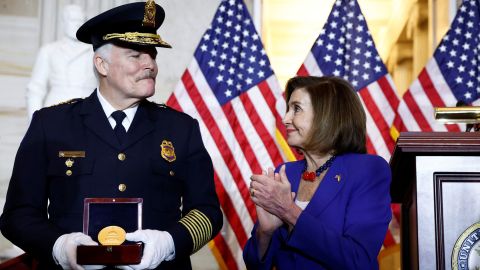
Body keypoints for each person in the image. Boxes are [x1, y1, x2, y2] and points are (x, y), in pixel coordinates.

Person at [0, 1, 222, 270]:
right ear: (101, 64)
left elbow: (207, 212)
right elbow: (17, 215)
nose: (150, 64)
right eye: (135, 55)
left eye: (152, 55)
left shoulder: (181, 128)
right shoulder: (51, 124)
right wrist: (59, 246)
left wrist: (169, 242)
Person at [243, 76, 392, 269]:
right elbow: (255, 264)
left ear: (327, 115)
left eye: (296, 109)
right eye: (288, 109)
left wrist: (289, 211)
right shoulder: (286, 173)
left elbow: (358, 260)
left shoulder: (368, 170)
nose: (285, 118)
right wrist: (265, 233)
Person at [26, 4, 96, 118]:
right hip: (55, 109)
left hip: (87, 110)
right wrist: (33, 122)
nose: (77, 24)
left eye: (81, 20)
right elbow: (35, 90)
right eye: (73, 20)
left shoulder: (95, 51)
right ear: (63, 23)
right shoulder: (49, 51)